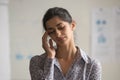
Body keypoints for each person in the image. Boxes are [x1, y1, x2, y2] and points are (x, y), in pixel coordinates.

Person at [29, 7, 102, 80]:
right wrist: (50, 58)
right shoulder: (37, 62)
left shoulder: (91, 65)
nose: (57, 34)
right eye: (51, 31)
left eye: (61, 27)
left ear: (72, 25)